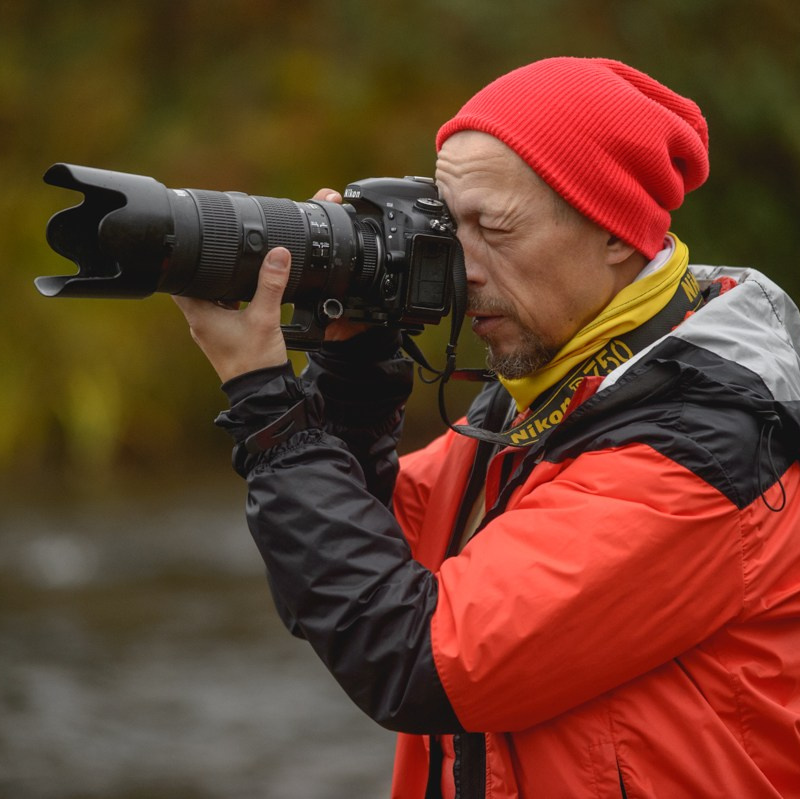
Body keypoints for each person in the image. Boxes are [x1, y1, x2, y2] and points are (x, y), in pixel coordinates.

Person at [174, 57, 800, 798]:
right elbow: (343, 575)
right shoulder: (550, 395)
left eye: (493, 227)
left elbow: (416, 658)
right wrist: (352, 375)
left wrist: (267, 403)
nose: (458, 265)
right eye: (446, 225)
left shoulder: (699, 450)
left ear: (617, 236)